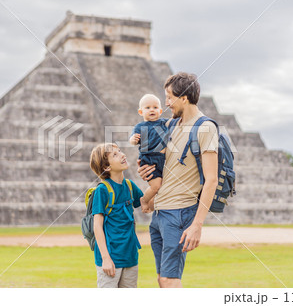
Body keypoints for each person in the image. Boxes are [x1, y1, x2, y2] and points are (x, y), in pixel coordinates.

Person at [137, 72, 219, 288]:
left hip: (179, 213)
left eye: (169, 98)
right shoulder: (170, 125)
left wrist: (197, 225)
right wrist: (148, 173)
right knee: (162, 279)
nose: (166, 104)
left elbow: (211, 180)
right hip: (160, 213)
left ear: (184, 98)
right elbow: (168, 169)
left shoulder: (205, 128)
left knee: (170, 280)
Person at [90, 143, 144, 288]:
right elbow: (97, 226)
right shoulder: (102, 190)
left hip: (130, 256)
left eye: (120, 151)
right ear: (106, 167)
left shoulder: (130, 185)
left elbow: (147, 206)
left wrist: (154, 181)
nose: (122, 154)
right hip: (110, 258)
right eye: (115, 154)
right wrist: (106, 258)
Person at [129, 94, 169, 213]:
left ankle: (152, 203)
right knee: (155, 186)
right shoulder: (140, 126)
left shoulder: (163, 123)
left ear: (160, 111)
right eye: (148, 108)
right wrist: (133, 140)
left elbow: (177, 122)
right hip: (148, 160)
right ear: (141, 112)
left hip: (162, 159)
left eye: (155, 107)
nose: (152, 110)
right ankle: (144, 200)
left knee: (161, 187)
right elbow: (132, 139)